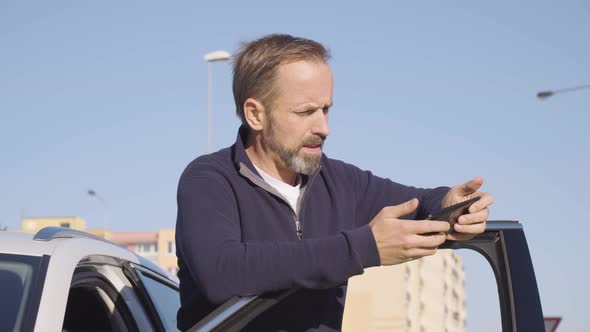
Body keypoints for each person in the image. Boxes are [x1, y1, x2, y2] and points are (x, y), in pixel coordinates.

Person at [175, 33, 494, 331]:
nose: (323, 127)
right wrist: (361, 248)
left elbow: (422, 205)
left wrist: (450, 204)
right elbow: (221, 271)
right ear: (255, 115)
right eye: (306, 112)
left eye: (326, 110)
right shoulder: (209, 180)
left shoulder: (341, 183)